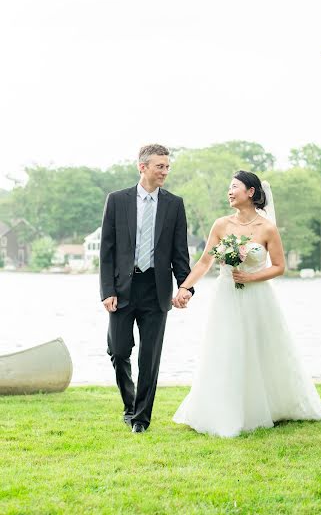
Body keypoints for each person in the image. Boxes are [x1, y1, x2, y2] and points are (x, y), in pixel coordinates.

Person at [172, 171, 321, 437]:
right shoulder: (221, 225)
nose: (230, 192)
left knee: (262, 349)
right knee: (225, 348)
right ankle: (221, 410)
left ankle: (269, 405)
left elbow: (280, 267)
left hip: (258, 298)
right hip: (226, 297)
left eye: (235, 187)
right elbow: (204, 262)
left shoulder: (267, 228)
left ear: (251, 192)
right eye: (229, 187)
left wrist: (251, 276)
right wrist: (186, 287)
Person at [100, 144, 193, 433]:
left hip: (156, 290)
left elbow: (180, 253)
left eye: (167, 166)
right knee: (118, 350)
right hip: (123, 288)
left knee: (149, 357)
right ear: (143, 167)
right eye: (160, 166)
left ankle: (141, 418)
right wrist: (107, 291)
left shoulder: (174, 204)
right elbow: (107, 250)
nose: (165, 171)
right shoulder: (117, 201)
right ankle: (130, 404)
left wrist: (186, 287)